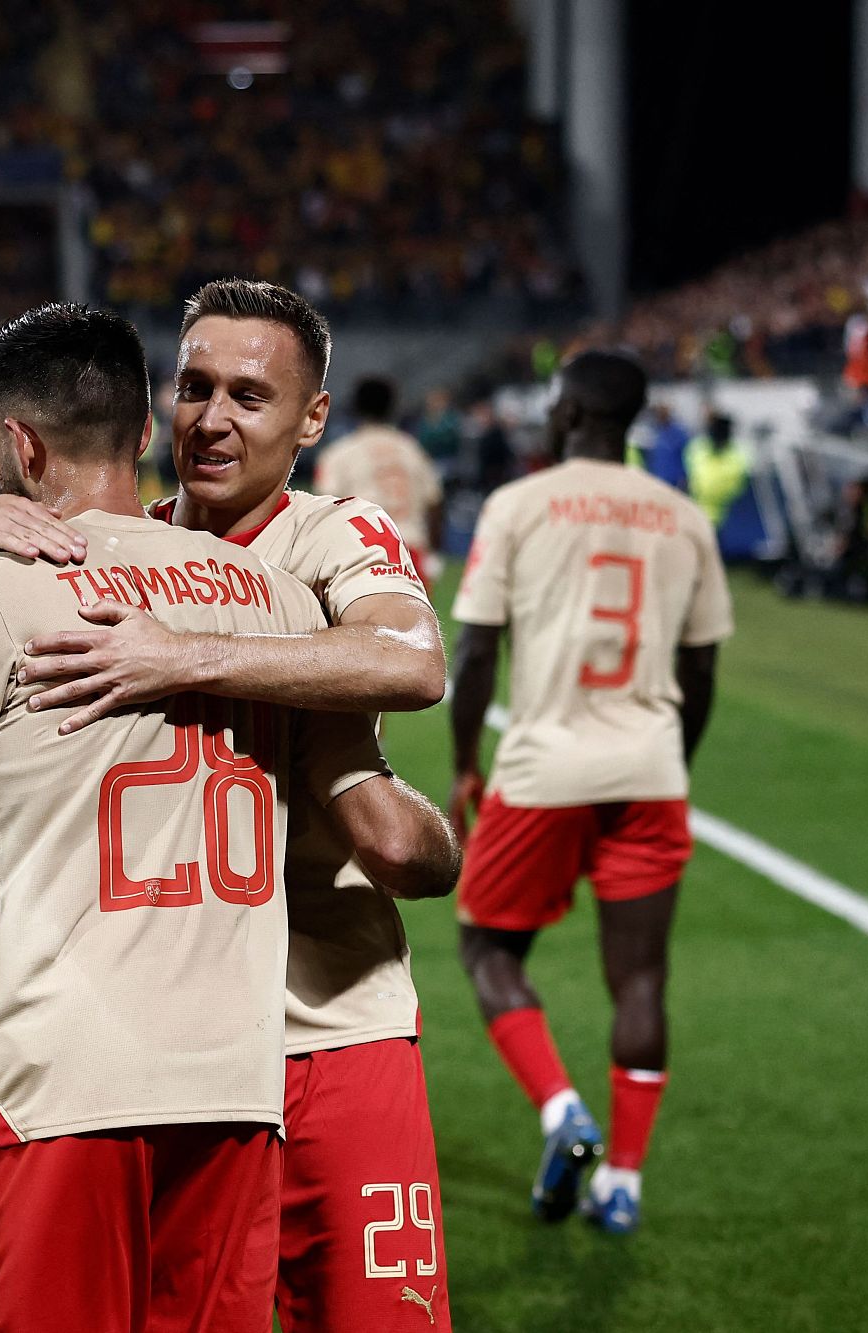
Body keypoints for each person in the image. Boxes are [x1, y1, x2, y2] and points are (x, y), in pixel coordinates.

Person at [0, 279, 463, 1332]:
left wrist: (180, 655)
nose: (210, 419)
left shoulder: (329, 538)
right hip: (198, 1034)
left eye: (248, 396)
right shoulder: (129, 552)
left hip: (325, 1020)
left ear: (312, 418)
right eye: (194, 387)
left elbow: (412, 660)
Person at [448, 348, 733, 1235]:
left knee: (489, 949)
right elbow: (702, 666)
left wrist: (464, 762)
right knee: (641, 979)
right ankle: (625, 1183)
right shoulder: (683, 517)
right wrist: (672, 755)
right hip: (649, 768)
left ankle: (562, 1109)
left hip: (545, 768)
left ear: (569, 412)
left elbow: (477, 650)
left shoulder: (519, 504)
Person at [315, 374, 445, 576]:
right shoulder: (412, 450)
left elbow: (326, 508)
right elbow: (435, 503)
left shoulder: (340, 454)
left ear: (356, 407)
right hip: (411, 552)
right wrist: (434, 551)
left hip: (362, 554)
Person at [683, 413, 750, 529]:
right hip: (694, 512)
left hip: (722, 516)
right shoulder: (697, 448)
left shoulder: (738, 457)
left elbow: (735, 489)